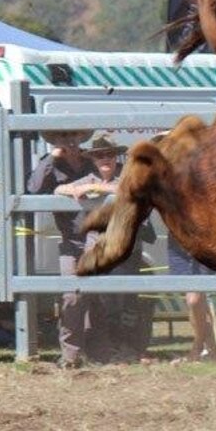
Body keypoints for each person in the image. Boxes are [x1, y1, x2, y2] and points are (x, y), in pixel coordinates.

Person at [55, 135, 152, 366]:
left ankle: (127, 351)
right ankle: (84, 354)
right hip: (98, 246)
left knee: (125, 303)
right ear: (93, 159)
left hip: (126, 249)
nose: (104, 159)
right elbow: (58, 189)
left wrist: (93, 187)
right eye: (99, 155)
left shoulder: (126, 176)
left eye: (108, 154)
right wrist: (72, 188)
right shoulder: (86, 179)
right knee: (85, 297)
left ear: (116, 156)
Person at [27, 129, 99, 368]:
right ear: (54, 141)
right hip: (70, 237)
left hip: (99, 234)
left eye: (73, 135)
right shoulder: (49, 164)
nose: (68, 139)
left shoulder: (93, 160)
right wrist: (51, 158)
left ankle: (99, 350)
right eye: (61, 136)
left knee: (100, 294)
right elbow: (34, 189)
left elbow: (109, 182)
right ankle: (70, 356)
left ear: (81, 138)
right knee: (71, 295)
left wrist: (67, 188)